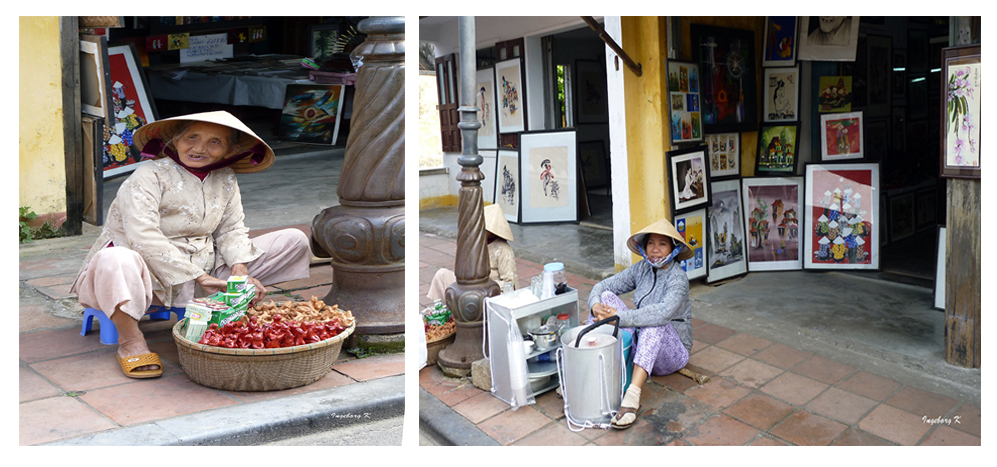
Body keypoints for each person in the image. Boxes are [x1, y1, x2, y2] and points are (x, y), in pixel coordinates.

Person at [70, 111, 312, 379]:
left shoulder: (226, 178)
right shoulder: (148, 175)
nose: (199, 148)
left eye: (214, 142)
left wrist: (239, 270)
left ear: (229, 150)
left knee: (294, 239)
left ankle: (225, 302)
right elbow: (142, 236)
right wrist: (202, 277)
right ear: (175, 140)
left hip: (204, 265)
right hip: (146, 273)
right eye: (191, 137)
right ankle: (130, 341)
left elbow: (231, 228)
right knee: (114, 258)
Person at [587, 217, 695, 429]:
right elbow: (603, 286)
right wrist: (594, 305)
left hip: (672, 354)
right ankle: (591, 365)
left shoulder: (678, 278)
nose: (655, 249)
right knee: (607, 296)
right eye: (651, 243)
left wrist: (619, 317)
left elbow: (661, 313)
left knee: (654, 321)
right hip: (642, 345)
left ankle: (632, 396)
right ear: (644, 247)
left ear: (673, 249)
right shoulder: (641, 269)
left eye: (662, 244)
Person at [427, 204, 517, 302]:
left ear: (492, 231)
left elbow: (509, 284)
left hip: (488, 292)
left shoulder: (504, 250)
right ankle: (443, 311)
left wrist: (485, 283)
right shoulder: (475, 243)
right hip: (468, 284)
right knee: (441, 274)